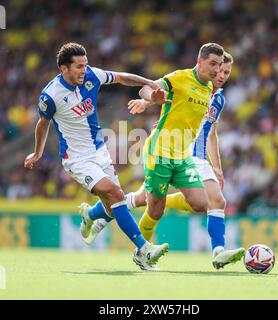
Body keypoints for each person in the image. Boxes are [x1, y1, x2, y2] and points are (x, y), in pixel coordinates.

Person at [85, 52, 245, 270]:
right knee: (155, 206)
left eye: (225, 71)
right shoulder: (185, 79)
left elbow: (210, 132)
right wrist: (145, 102)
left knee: (207, 201)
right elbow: (167, 94)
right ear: (205, 65)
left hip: (190, 155)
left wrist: (217, 166)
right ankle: (132, 241)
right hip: (167, 150)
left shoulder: (216, 97)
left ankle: (218, 252)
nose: (221, 74)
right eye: (217, 67)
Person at [24, 42, 169, 271]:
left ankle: (90, 214)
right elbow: (42, 125)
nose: (84, 70)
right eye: (79, 67)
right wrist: (38, 152)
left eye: (85, 65)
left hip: (99, 151)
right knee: (116, 193)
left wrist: (148, 82)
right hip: (77, 159)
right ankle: (144, 248)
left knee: (113, 206)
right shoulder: (50, 95)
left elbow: (121, 77)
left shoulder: (92, 75)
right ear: (64, 69)